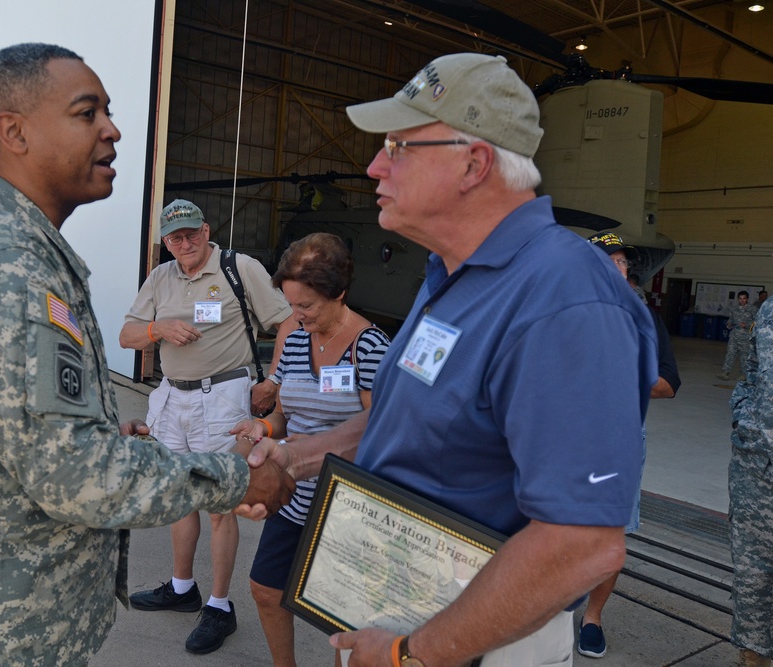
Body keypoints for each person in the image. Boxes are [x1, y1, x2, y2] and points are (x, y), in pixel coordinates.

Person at [0, 43, 293, 666]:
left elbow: (23, 428)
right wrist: (237, 475)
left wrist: (96, 427)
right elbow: (75, 475)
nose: (113, 129)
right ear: (13, 131)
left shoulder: (16, 245)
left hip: (6, 612)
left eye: (108, 111)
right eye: (86, 113)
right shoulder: (5, 262)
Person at [240, 53, 658, 667]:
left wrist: (412, 653)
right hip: (398, 603)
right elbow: (409, 422)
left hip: (477, 638)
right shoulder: (450, 277)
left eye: (399, 146)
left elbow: (583, 544)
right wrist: (293, 457)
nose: (374, 165)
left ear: (474, 162)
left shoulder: (566, 299)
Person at [118, 198, 294, 654]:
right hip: (173, 396)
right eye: (175, 238)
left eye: (192, 233)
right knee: (181, 494)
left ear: (207, 230)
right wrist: (159, 330)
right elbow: (127, 335)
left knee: (220, 504)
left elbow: (289, 322)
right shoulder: (160, 277)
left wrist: (274, 379)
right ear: (165, 243)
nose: (185, 243)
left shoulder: (239, 268)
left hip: (223, 397)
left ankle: (218, 605)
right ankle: (181, 589)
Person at [230, 233, 391, 666]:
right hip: (293, 496)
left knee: (342, 618)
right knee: (265, 590)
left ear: (339, 292)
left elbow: (382, 433)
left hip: (347, 505)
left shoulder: (371, 347)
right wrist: (261, 426)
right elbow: (284, 413)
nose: (297, 318)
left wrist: (318, 450)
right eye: (291, 306)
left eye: (307, 307)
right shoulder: (297, 339)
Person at [578, 233, 681, 658]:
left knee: (608, 537)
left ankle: (592, 618)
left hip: (617, 443)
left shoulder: (644, 320)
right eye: (611, 263)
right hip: (561, 438)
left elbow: (668, 384)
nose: (622, 271)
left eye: (624, 263)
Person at [729, 297, 773, 667]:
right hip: (756, 465)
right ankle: (751, 658)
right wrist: (743, 415)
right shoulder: (769, 310)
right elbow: (754, 371)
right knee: (751, 571)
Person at [719, 291, 758, 380]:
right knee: (730, 354)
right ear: (738, 299)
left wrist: (747, 325)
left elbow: (757, 323)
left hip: (746, 337)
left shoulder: (753, 309)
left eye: (744, 298)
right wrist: (729, 324)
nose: (742, 300)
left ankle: (744, 374)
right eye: (740, 298)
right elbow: (731, 319)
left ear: (747, 299)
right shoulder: (734, 309)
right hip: (734, 335)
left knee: (744, 356)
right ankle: (725, 372)